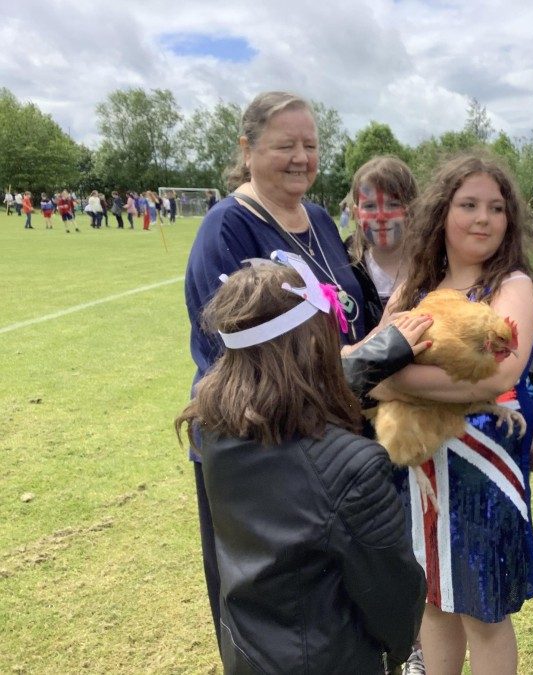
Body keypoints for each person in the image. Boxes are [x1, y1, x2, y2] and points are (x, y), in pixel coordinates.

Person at [184, 91, 375, 646]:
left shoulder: (318, 218)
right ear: (247, 149)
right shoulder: (227, 227)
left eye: (310, 145)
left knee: (333, 601)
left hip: (332, 435)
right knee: (273, 611)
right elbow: (231, 355)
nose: (301, 158)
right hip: (262, 445)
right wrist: (345, 370)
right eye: (284, 145)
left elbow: (348, 308)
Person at [176, 260, 427, 673]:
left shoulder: (215, 424)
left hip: (251, 656)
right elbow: (395, 597)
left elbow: (290, 390)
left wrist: (385, 350)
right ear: (315, 345)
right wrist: (396, 653)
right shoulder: (351, 468)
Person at [372, 153, 533, 675]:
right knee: (431, 601)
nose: (483, 218)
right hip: (419, 470)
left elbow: (495, 376)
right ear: (442, 213)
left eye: (496, 207)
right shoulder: (414, 287)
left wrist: (392, 379)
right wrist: (370, 369)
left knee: (483, 612)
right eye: (468, 205)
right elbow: (367, 356)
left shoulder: (512, 287)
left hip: (482, 473)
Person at [346, 155, 419, 331]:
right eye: (370, 206)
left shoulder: (432, 265)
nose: (380, 217)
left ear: (412, 210)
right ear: (357, 214)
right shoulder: (347, 269)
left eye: (393, 204)